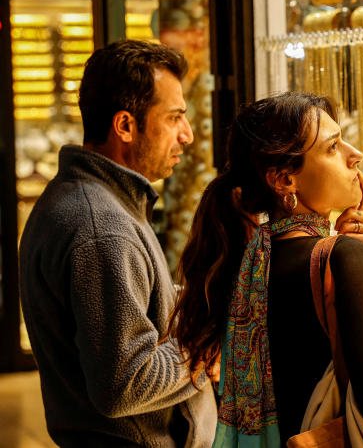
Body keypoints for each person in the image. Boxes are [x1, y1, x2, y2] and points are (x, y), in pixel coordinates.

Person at [168, 92, 363, 446]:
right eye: (333, 147)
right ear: (284, 181)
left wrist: (361, 253)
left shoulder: (249, 259)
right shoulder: (341, 257)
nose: (355, 155)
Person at [19, 39, 217, 447]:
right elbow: (124, 383)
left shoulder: (96, 200)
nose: (187, 135)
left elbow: (140, 301)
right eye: (175, 118)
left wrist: (205, 304)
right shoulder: (101, 228)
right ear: (125, 125)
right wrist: (201, 350)